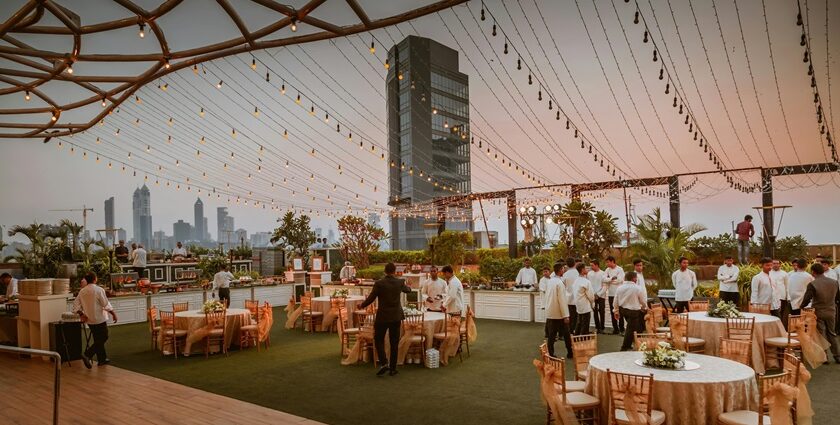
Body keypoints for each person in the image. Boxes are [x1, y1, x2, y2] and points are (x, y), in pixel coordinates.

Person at [358, 262, 412, 376]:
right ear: (395, 271)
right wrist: (409, 286)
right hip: (396, 316)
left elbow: (371, 298)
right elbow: (408, 290)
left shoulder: (379, 283)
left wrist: (362, 305)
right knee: (394, 342)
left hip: (382, 316)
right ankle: (393, 368)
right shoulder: (400, 282)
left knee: (378, 339)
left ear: (385, 271)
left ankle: (383, 363)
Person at [73, 272, 117, 368]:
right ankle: (87, 354)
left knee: (98, 339)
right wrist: (113, 313)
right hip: (99, 318)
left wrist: (81, 314)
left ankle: (102, 359)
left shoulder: (82, 291)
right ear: (95, 279)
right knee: (104, 337)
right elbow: (105, 304)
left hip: (89, 319)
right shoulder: (99, 290)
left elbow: (75, 305)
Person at [800, 263, 840, 364]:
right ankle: (837, 356)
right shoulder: (834, 282)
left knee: (821, 335)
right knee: (832, 333)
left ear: (813, 272)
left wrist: (801, 307)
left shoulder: (813, 284)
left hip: (818, 311)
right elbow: (837, 297)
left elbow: (806, 299)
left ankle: (824, 357)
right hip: (831, 311)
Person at [614, 271, 647, 351]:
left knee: (634, 327)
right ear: (634, 278)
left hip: (623, 310)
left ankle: (633, 343)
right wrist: (645, 307)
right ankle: (624, 347)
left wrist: (616, 311)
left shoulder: (619, 288)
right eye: (636, 278)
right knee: (630, 329)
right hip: (633, 312)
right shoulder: (638, 288)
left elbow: (616, 301)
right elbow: (642, 301)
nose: (636, 279)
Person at [544, 263, 571, 358]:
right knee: (567, 334)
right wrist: (566, 315)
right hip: (559, 313)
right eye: (563, 268)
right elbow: (562, 300)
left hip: (551, 311)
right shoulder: (559, 283)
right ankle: (570, 353)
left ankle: (550, 353)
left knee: (551, 335)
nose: (564, 270)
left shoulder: (550, 281)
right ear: (560, 270)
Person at [603, 256, 625, 334]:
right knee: (613, 311)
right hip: (611, 293)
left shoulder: (620, 269)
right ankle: (615, 329)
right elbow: (604, 279)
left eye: (608, 262)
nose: (607, 264)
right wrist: (611, 278)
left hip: (619, 293)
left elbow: (620, 280)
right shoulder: (607, 270)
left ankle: (622, 328)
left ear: (612, 261)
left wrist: (609, 280)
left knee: (620, 311)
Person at [572, 263, 594, 336]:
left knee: (579, 323)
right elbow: (591, 296)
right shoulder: (586, 282)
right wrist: (592, 303)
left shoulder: (575, 281)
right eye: (585, 268)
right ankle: (582, 343)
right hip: (585, 306)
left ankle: (576, 340)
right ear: (582, 270)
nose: (587, 269)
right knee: (585, 325)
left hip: (578, 305)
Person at [587, 260, 607, 334]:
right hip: (592, 295)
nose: (591, 267)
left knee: (602, 311)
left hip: (601, 295)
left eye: (592, 265)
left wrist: (598, 294)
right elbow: (588, 285)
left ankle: (602, 327)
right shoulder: (589, 274)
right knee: (595, 311)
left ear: (597, 265)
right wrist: (593, 294)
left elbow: (605, 286)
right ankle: (597, 327)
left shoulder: (603, 273)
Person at [561, 258, 580, 333]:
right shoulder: (578, 273)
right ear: (575, 263)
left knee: (570, 316)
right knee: (578, 316)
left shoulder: (565, 275)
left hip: (568, 298)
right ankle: (577, 330)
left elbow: (563, 286)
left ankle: (570, 330)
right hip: (578, 297)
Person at [770, 260, 790, 324]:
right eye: (774, 263)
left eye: (777, 263)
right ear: (772, 264)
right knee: (773, 314)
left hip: (782, 296)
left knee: (781, 313)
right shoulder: (769, 273)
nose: (775, 265)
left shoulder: (784, 274)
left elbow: (787, 286)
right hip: (772, 297)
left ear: (779, 265)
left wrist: (788, 297)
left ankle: (780, 328)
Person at [538, 266, 552, 338]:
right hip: (546, 301)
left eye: (546, 271)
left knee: (550, 318)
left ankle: (550, 333)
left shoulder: (552, 279)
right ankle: (547, 333)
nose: (545, 273)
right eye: (544, 272)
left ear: (549, 272)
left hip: (551, 301)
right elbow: (544, 290)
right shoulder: (542, 280)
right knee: (548, 318)